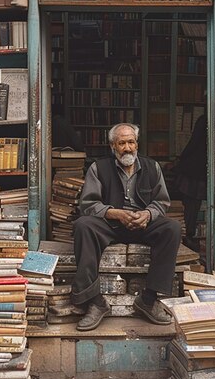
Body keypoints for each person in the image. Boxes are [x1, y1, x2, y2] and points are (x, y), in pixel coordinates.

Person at [71, 122, 181, 331]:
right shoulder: (98, 168)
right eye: (122, 143)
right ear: (113, 146)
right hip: (110, 224)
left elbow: (162, 202)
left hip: (143, 224)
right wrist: (115, 213)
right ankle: (95, 302)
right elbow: (88, 204)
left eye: (131, 142)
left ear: (137, 145)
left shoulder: (152, 167)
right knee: (83, 225)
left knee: (172, 228)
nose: (127, 148)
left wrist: (148, 214)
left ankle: (148, 300)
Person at [170, 113, 207, 251]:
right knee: (192, 206)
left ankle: (188, 236)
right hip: (197, 171)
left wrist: (182, 158)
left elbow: (193, 142)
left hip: (194, 171)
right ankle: (188, 237)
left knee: (191, 206)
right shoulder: (206, 120)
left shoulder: (203, 120)